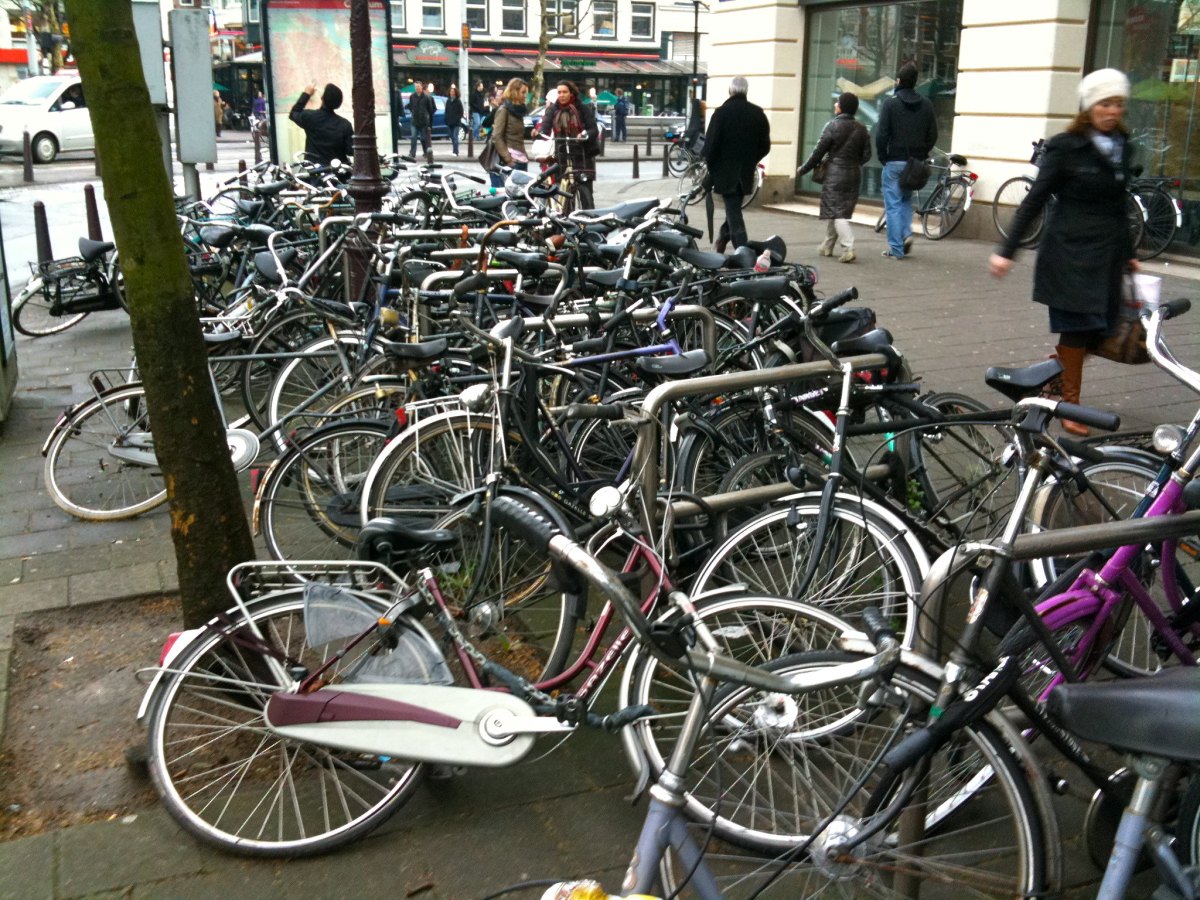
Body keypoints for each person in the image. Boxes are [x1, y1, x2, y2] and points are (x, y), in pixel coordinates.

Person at [989, 68, 1140, 437]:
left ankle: (1054, 372)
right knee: (1077, 328)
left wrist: (1128, 253)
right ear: (1089, 106)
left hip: (1106, 255)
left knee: (1102, 329)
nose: (1112, 111)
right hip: (1069, 254)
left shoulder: (1122, 145)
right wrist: (1007, 250)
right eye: (1105, 103)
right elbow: (1035, 199)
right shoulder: (1065, 146)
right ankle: (1068, 404)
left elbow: (1119, 205)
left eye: (1118, 104)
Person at [796, 91, 871, 264]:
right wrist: (853, 162)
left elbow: (818, 152)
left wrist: (803, 169)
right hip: (854, 174)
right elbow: (866, 155)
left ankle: (848, 247)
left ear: (842, 107)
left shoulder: (832, 126)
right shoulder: (862, 129)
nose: (835, 104)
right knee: (837, 210)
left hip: (835, 175)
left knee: (838, 213)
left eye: (837, 102)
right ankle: (827, 245)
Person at [875, 62, 937, 259]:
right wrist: (922, 152)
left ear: (898, 81)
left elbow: (881, 134)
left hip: (894, 160)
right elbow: (933, 135)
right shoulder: (927, 104)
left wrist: (883, 156)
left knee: (893, 204)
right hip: (915, 163)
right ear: (915, 82)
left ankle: (896, 248)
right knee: (905, 200)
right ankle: (906, 234)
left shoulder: (890, 103)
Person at [702, 76, 770, 253]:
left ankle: (743, 251)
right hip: (745, 172)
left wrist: (712, 169)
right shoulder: (757, 113)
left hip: (725, 173)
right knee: (734, 208)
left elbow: (710, 147)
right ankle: (723, 237)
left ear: (730, 91)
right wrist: (751, 159)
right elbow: (765, 146)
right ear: (746, 91)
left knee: (734, 213)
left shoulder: (721, 113)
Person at [538, 80, 601, 210]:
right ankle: (565, 216)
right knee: (564, 195)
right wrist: (539, 132)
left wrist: (585, 135)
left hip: (582, 155)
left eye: (565, 92)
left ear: (571, 93)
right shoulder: (553, 109)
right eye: (559, 92)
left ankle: (589, 217)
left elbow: (593, 129)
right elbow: (545, 127)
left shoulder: (582, 108)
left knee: (586, 195)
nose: (561, 95)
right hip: (561, 154)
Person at [289, 82, 353, 166]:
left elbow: (294, 113)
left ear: (322, 98)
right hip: (338, 170)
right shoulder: (345, 125)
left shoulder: (310, 117)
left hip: (314, 169)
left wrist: (307, 93)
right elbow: (350, 151)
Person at [489, 78, 531, 186]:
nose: (525, 95)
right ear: (514, 92)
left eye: (526, 93)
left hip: (521, 159)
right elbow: (497, 136)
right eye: (523, 92)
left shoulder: (520, 112)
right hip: (510, 161)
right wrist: (508, 159)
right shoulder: (504, 110)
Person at [407, 80, 435, 164]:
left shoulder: (426, 97)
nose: (417, 88)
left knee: (423, 138)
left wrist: (429, 122)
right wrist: (413, 112)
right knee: (413, 137)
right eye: (416, 87)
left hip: (423, 121)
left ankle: (425, 152)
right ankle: (412, 153)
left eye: (418, 86)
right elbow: (411, 106)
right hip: (414, 121)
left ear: (421, 87)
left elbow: (430, 110)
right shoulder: (412, 96)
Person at [444, 84, 464, 157]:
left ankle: (456, 151)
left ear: (455, 93)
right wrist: (446, 119)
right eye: (451, 91)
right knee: (452, 137)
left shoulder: (458, 101)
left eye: (453, 92)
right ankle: (454, 150)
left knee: (455, 137)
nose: (452, 93)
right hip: (450, 122)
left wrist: (457, 118)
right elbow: (446, 111)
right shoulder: (448, 101)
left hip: (456, 123)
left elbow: (461, 112)